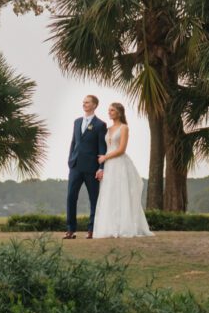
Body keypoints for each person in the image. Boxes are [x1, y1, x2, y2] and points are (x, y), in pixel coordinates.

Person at [92, 102, 153, 238]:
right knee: (109, 194)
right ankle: (110, 226)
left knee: (122, 193)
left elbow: (121, 149)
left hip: (119, 163)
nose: (109, 112)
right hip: (108, 166)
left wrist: (105, 157)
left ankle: (124, 226)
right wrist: (102, 165)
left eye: (112, 110)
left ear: (119, 112)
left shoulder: (124, 128)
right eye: (109, 110)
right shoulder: (107, 129)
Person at [64, 94, 108, 239]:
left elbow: (102, 147)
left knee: (94, 199)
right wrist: (70, 160)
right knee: (71, 197)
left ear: (94, 105)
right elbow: (73, 142)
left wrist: (101, 167)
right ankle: (71, 230)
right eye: (83, 102)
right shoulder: (77, 122)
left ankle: (92, 230)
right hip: (75, 166)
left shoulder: (100, 125)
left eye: (87, 102)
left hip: (91, 168)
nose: (84, 104)